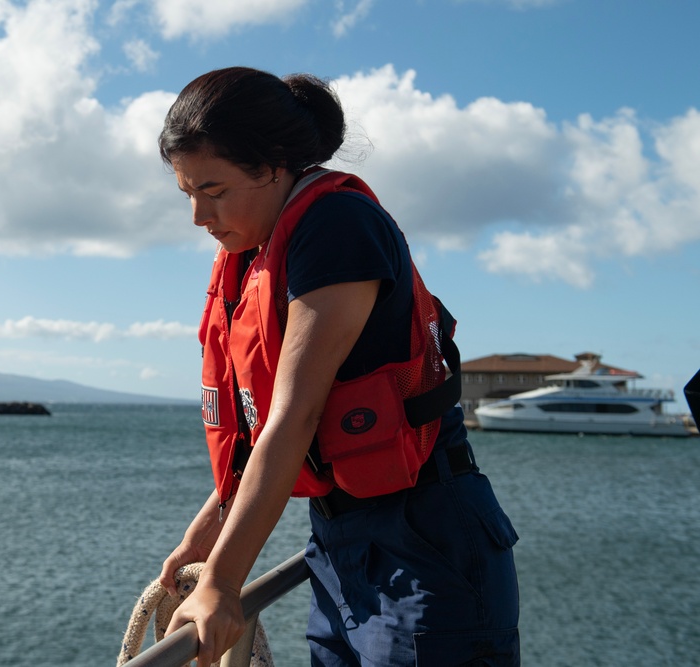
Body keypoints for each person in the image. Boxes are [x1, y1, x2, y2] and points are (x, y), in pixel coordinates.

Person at [157, 66, 520, 667]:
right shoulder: (256, 255)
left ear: (275, 165)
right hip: (337, 544)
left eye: (215, 191)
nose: (199, 215)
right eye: (188, 193)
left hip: (425, 541)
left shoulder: (336, 227)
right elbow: (261, 428)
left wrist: (223, 582)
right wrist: (211, 527)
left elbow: (295, 417)